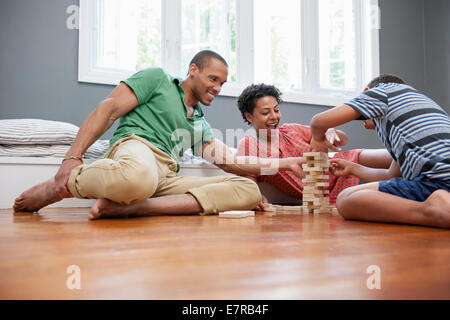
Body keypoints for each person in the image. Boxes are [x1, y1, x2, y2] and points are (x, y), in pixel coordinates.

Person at [13, 50, 305, 219]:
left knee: (247, 190)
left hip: (164, 174)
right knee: (139, 177)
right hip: (136, 147)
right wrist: (71, 158)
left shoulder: (199, 124)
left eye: (222, 83)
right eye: (213, 79)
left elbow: (230, 162)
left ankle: (135, 208)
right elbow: (109, 109)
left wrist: (284, 164)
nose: (217, 88)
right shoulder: (157, 80)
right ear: (193, 70)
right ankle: (57, 187)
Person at [309, 74, 450, 228]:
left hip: (439, 180)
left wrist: (317, 140)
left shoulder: (382, 92)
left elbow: (318, 122)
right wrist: (352, 168)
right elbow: (390, 176)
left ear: (366, 91)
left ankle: (430, 211)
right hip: (442, 178)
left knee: (345, 199)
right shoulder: (411, 114)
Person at [236, 83, 392, 208]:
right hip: (329, 192)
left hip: (344, 163)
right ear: (249, 116)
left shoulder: (292, 129)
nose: (274, 117)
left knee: (394, 157)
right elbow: (248, 180)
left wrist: (331, 132)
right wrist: (257, 197)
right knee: (394, 185)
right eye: (265, 113)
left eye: (276, 110)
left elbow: (342, 140)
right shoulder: (250, 144)